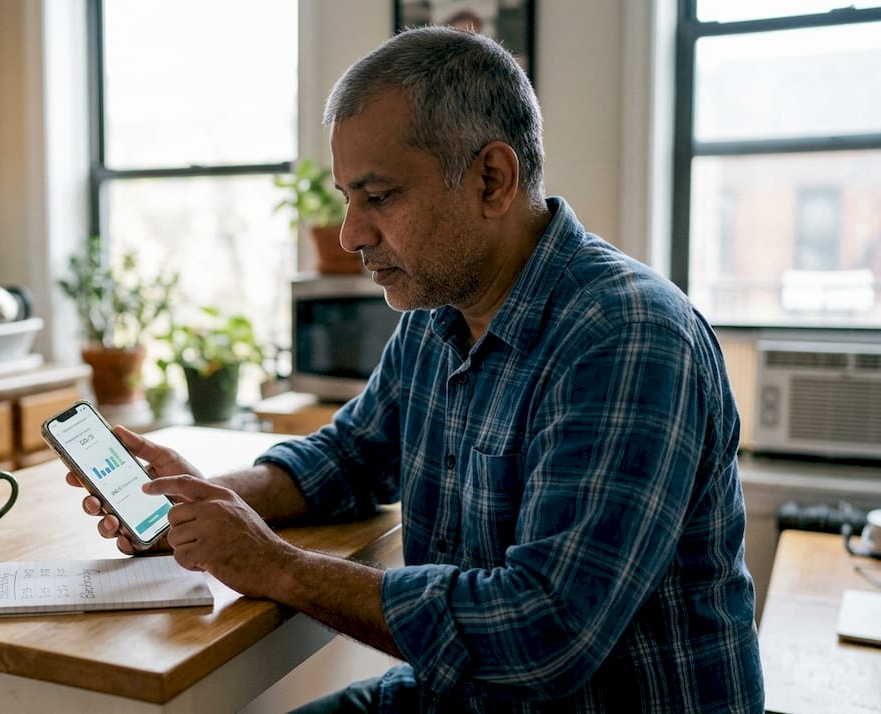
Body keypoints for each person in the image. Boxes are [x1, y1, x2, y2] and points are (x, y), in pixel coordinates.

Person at [67, 25, 763, 712]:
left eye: (379, 196)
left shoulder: (626, 337)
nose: (351, 234)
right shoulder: (437, 314)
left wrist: (277, 568)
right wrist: (200, 502)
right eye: (347, 198)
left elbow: (541, 631)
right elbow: (350, 457)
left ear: (492, 179)